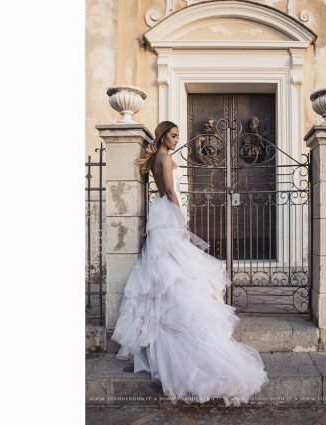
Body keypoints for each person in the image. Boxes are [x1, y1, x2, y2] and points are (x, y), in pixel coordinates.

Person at [110, 121, 269, 406]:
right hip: (168, 212)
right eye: (172, 136)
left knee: (165, 271)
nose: (175, 140)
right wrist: (180, 217)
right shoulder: (165, 157)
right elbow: (170, 192)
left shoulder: (157, 159)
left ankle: (164, 336)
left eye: (176, 137)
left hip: (159, 214)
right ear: (162, 137)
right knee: (177, 270)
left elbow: (163, 190)